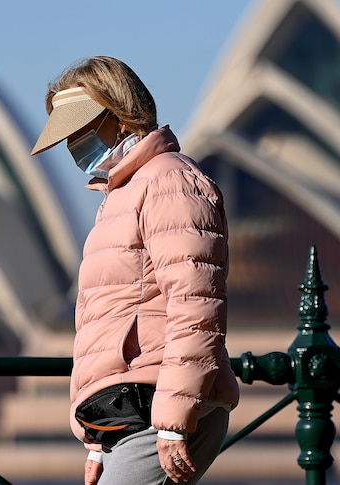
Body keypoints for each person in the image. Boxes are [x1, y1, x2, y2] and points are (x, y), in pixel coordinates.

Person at [31, 56, 239, 485]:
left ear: (122, 117)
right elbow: (109, 318)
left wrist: (172, 419)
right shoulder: (122, 195)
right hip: (131, 412)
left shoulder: (168, 182)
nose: (74, 145)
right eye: (67, 135)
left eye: (81, 130)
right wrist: (98, 444)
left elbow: (194, 306)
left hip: (158, 404)